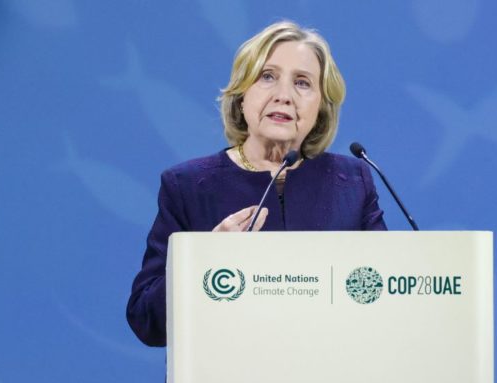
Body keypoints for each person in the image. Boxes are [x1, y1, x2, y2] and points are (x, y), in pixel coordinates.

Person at [127, 20, 387, 347]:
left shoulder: (352, 181)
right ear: (241, 95)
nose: (284, 95)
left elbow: (383, 295)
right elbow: (146, 322)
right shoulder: (188, 186)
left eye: (303, 83)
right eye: (267, 77)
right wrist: (202, 260)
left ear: (321, 107)